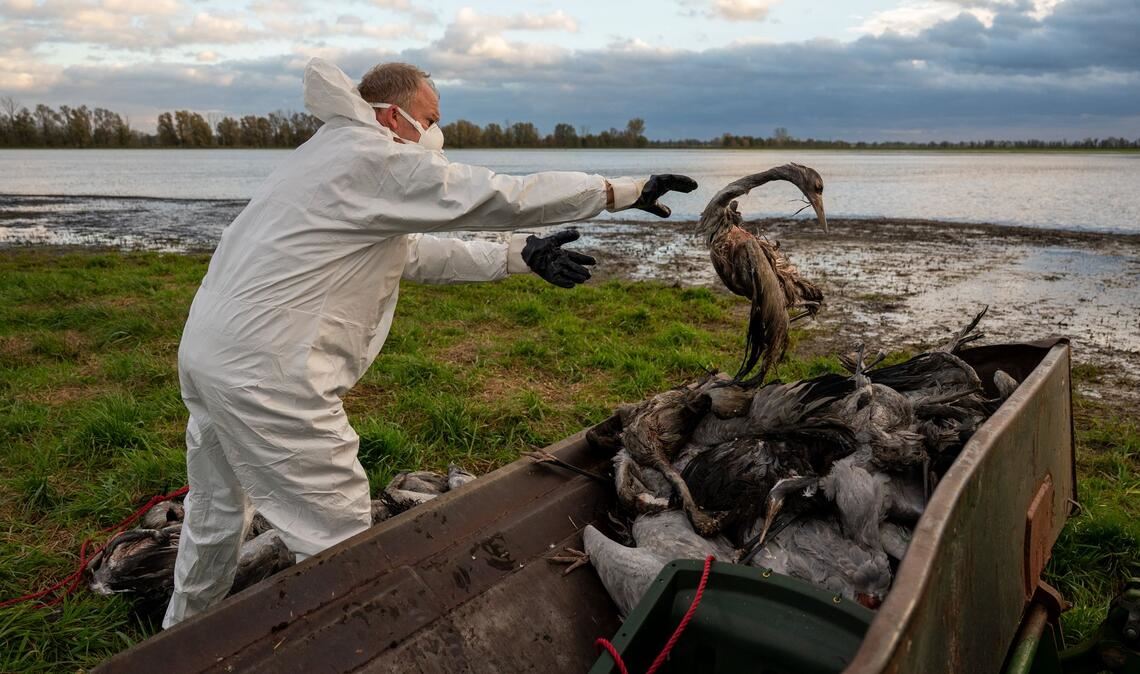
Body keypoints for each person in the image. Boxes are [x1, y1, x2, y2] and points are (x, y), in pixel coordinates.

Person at [162, 57, 697, 628]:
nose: (438, 132)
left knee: (215, 508)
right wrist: (617, 191)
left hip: (210, 355)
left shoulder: (329, 155)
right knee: (336, 535)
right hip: (269, 372)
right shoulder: (371, 157)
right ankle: (351, 647)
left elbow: (409, 252)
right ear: (394, 115)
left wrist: (521, 255)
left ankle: (178, 633)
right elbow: (496, 194)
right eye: (431, 117)